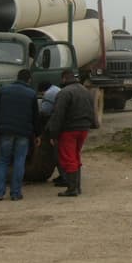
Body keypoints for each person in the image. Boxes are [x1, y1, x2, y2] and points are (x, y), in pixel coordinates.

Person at [46, 69, 97, 197]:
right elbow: (92, 111)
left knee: (68, 158)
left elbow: (58, 115)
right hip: (83, 129)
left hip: (69, 131)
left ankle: (72, 188)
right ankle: (77, 187)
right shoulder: (85, 91)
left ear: (64, 79)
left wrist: (53, 134)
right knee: (75, 156)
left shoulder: (64, 93)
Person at [0, 69, 39, 201]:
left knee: (3, 161)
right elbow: (35, 116)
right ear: (29, 79)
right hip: (23, 132)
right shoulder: (31, 93)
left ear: (17, 77)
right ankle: (15, 193)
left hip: (5, 131)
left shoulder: (4, 90)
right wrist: (38, 134)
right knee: (19, 161)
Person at [37, 80, 65, 186]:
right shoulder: (57, 89)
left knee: (57, 153)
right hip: (64, 125)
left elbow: (44, 111)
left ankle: (64, 176)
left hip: (55, 127)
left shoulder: (49, 94)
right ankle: (64, 175)